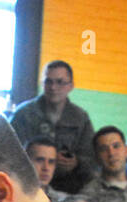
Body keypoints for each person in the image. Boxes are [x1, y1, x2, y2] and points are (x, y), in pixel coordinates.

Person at [9, 61, 96, 194]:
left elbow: (92, 158)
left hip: (69, 189)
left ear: (71, 86)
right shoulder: (23, 114)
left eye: (60, 82)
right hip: (27, 187)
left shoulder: (80, 118)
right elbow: (9, 152)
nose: (53, 87)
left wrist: (76, 163)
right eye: (48, 82)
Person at [24, 136, 70, 202]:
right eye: (40, 160)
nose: (46, 168)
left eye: (51, 162)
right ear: (25, 162)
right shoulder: (10, 197)